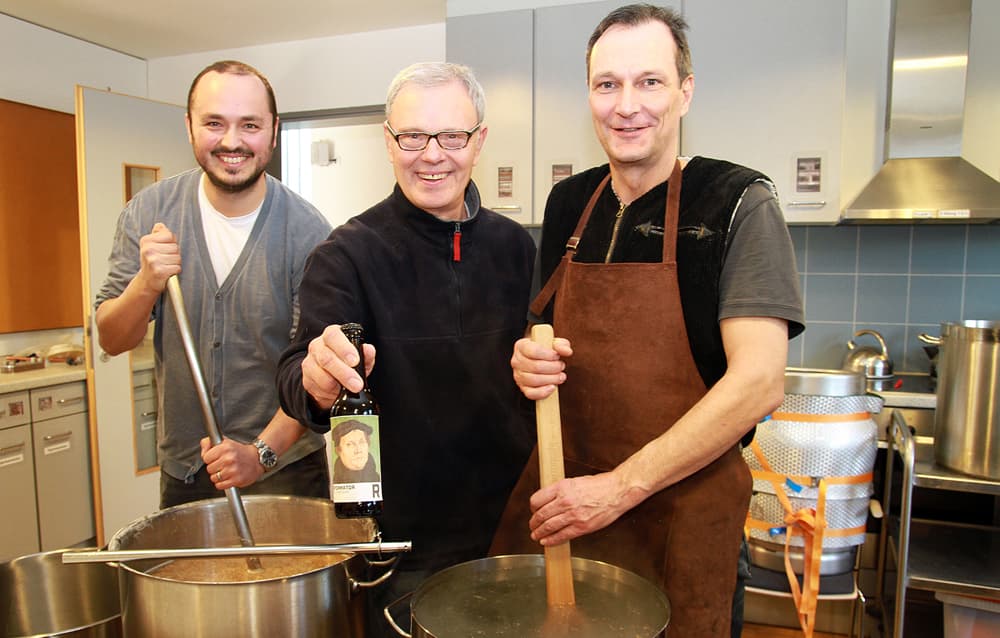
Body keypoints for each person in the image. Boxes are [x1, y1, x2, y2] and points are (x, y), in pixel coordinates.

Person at [489, 5, 804, 638]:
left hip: (684, 517)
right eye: (607, 84)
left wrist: (619, 488)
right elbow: (545, 336)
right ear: (589, 96)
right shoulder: (569, 203)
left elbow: (761, 380)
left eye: (649, 81)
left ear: (685, 91)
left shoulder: (738, 202)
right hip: (571, 505)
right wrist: (529, 358)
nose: (626, 104)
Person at [275, 62, 536, 637]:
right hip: (400, 549)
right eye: (413, 136)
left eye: (452, 136)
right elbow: (297, 375)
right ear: (388, 142)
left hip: (511, 531)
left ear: (480, 141)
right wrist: (316, 381)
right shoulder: (347, 254)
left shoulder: (516, 248)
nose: (433, 154)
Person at [94, 60, 333, 509]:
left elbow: (316, 374)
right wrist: (147, 283)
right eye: (214, 123)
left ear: (273, 131)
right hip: (187, 471)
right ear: (189, 127)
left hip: (286, 473)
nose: (232, 141)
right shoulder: (147, 214)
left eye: (250, 125)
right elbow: (112, 338)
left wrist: (260, 454)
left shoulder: (309, 232)